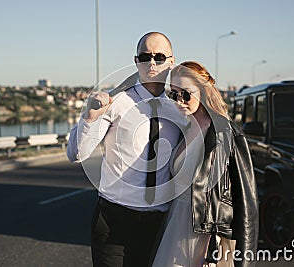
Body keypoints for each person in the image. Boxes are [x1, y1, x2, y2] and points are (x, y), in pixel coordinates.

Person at [66, 32, 186, 267]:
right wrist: (89, 118)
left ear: (172, 61)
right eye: (145, 56)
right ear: (136, 61)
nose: (152, 63)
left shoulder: (180, 107)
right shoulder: (114, 101)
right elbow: (76, 154)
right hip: (115, 219)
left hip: (160, 221)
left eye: (159, 57)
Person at [152, 61, 259, 267]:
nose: (179, 101)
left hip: (206, 237)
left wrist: (245, 260)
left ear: (203, 90)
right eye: (174, 94)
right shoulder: (185, 127)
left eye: (186, 93)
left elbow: (247, 203)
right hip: (175, 227)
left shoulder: (225, 133)